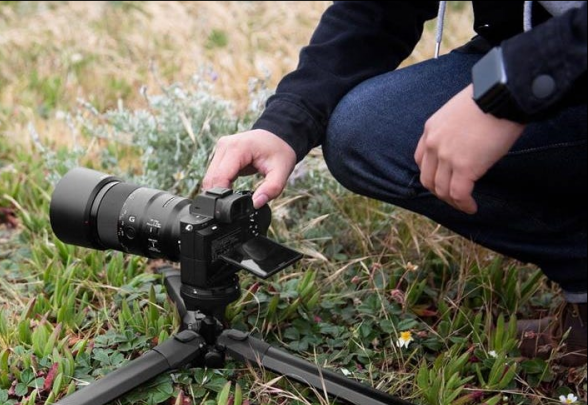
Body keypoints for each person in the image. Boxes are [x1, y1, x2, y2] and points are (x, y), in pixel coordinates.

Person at [203, 1, 586, 367]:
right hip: (529, 46)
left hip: (553, 56)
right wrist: (287, 123)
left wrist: (514, 85)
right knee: (368, 129)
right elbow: (380, 9)